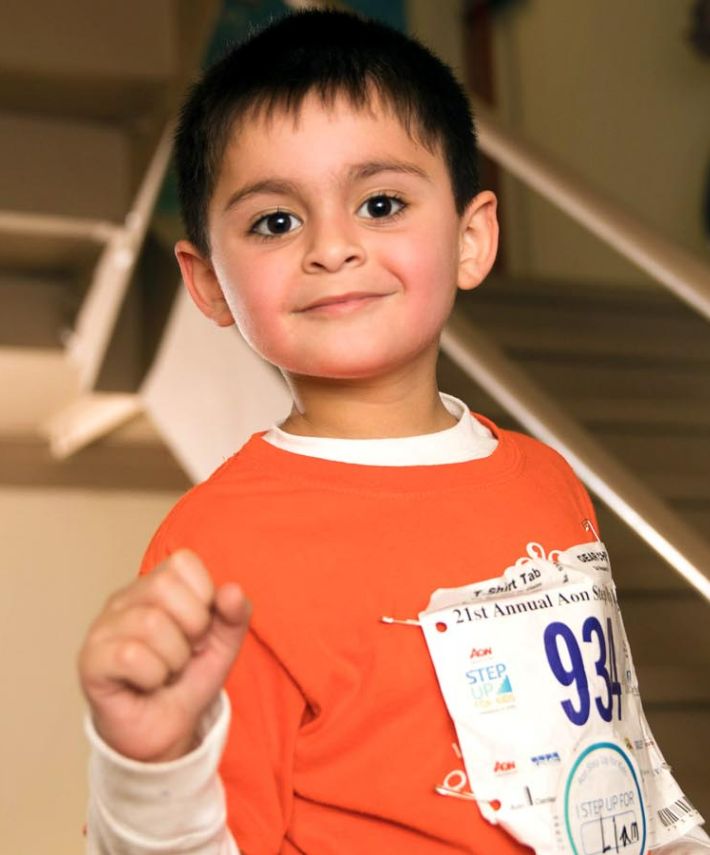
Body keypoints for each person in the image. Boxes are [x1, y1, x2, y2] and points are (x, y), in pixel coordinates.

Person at [77, 9, 709, 854]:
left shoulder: (547, 477)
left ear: (473, 237)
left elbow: (612, 756)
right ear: (210, 283)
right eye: (274, 221)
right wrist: (146, 767)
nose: (332, 246)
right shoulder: (215, 548)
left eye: (380, 203)